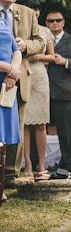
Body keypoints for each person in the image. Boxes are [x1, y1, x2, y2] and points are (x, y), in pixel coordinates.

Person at [0, 0, 44, 189]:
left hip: (18, 77)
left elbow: (40, 43)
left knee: (15, 125)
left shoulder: (26, 13)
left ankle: (9, 175)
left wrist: (25, 45)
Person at [46, 11, 71, 172]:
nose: (54, 23)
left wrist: (65, 61)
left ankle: (67, 163)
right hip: (41, 89)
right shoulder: (41, 39)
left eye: (58, 20)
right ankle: (35, 162)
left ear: (63, 22)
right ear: (46, 23)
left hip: (64, 91)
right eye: (51, 20)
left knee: (67, 130)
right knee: (37, 127)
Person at [22, 0, 55, 176]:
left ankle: (41, 164)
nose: (34, 12)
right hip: (23, 74)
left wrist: (40, 57)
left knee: (41, 122)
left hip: (40, 77)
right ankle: (27, 163)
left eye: (36, 9)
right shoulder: (18, 29)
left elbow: (52, 56)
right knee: (24, 123)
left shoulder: (45, 31)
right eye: (30, 8)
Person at [0, 13, 22, 202]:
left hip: (6, 84)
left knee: (2, 139)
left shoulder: (3, 20)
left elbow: (16, 49)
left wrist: (12, 74)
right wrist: (8, 68)